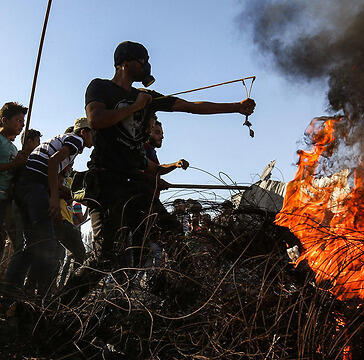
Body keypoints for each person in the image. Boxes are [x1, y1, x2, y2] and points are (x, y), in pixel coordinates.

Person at [60, 41, 255, 304]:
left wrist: (235, 107)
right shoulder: (100, 87)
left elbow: (191, 106)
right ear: (126, 62)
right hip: (107, 181)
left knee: (173, 235)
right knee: (105, 257)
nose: (146, 65)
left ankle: (192, 300)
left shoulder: (148, 98)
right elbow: (97, 120)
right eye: (143, 60)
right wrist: (134, 107)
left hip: (136, 184)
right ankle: (56, 308)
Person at [4, 118, 93, 296]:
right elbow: (52, 163)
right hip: (34, 187)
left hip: (27, 186)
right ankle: (42, 297)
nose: (96, 139)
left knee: (33, 244)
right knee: (49, 245)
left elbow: (49, 168)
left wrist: (62, 192)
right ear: (84, 132)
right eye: (95, 134)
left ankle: (10, 294)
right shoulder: (76, 140)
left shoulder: (66, 142)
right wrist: (53, 198)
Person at [0, 103, 28, 263]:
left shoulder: (14, 148)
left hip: (5, 200)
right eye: (18, 120)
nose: (22, 124)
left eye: (23, 121)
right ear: (4, 120)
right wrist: (14, 165)